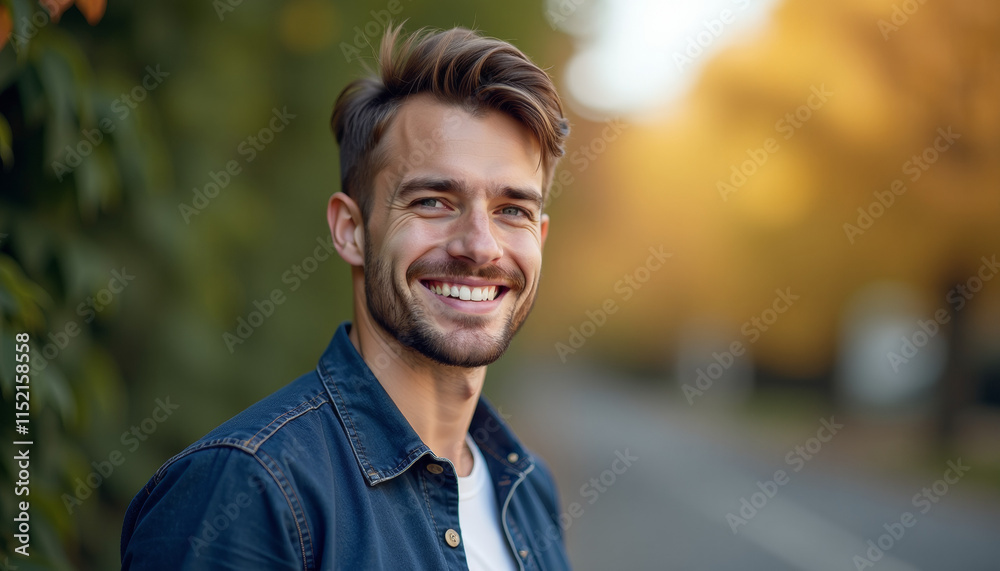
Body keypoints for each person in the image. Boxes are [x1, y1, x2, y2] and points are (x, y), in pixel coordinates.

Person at [121, 24, 572, 570]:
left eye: (512, 210)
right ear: (350, 230)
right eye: (433, 201)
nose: (481, 246)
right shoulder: (248, 489)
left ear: (539, 239)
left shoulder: (527, 489)